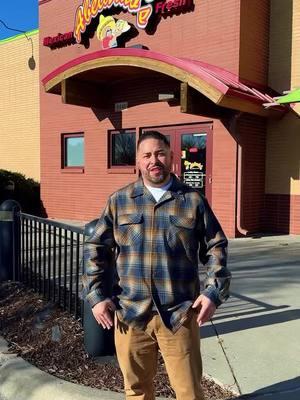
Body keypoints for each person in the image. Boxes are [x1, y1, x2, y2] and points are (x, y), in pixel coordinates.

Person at [84, 131, 231, 400]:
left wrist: (213, 292)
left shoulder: (193, 201)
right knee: (137, 392)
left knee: (189, 392)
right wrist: (96, 296)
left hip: (179, 314)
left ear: (172, 158)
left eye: (160, 153)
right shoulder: (119, 201)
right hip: (130, 314)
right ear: (138, 162)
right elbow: (96, 248)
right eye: (147, 155)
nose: (154, 160)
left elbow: (215, 246)